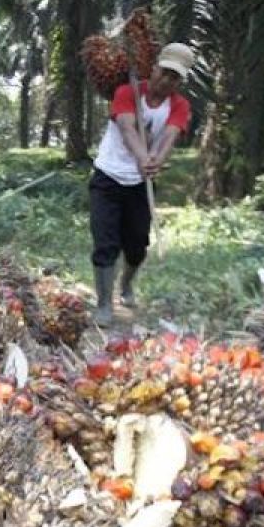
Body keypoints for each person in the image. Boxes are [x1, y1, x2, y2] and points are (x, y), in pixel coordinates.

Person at [88, 42, 193, 326]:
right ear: (154, 67)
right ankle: (103, 305)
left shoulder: (179, 106)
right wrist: (142, 155)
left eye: (175, 77)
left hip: (139, 185)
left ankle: (126, 285)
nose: (167, 80)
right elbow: (126, 128)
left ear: (179, 81)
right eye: (164, 72)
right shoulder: (127, 92)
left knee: (137, 245)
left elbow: (170, 136)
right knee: (105, 242)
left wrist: (155, 161)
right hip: (107, 178)